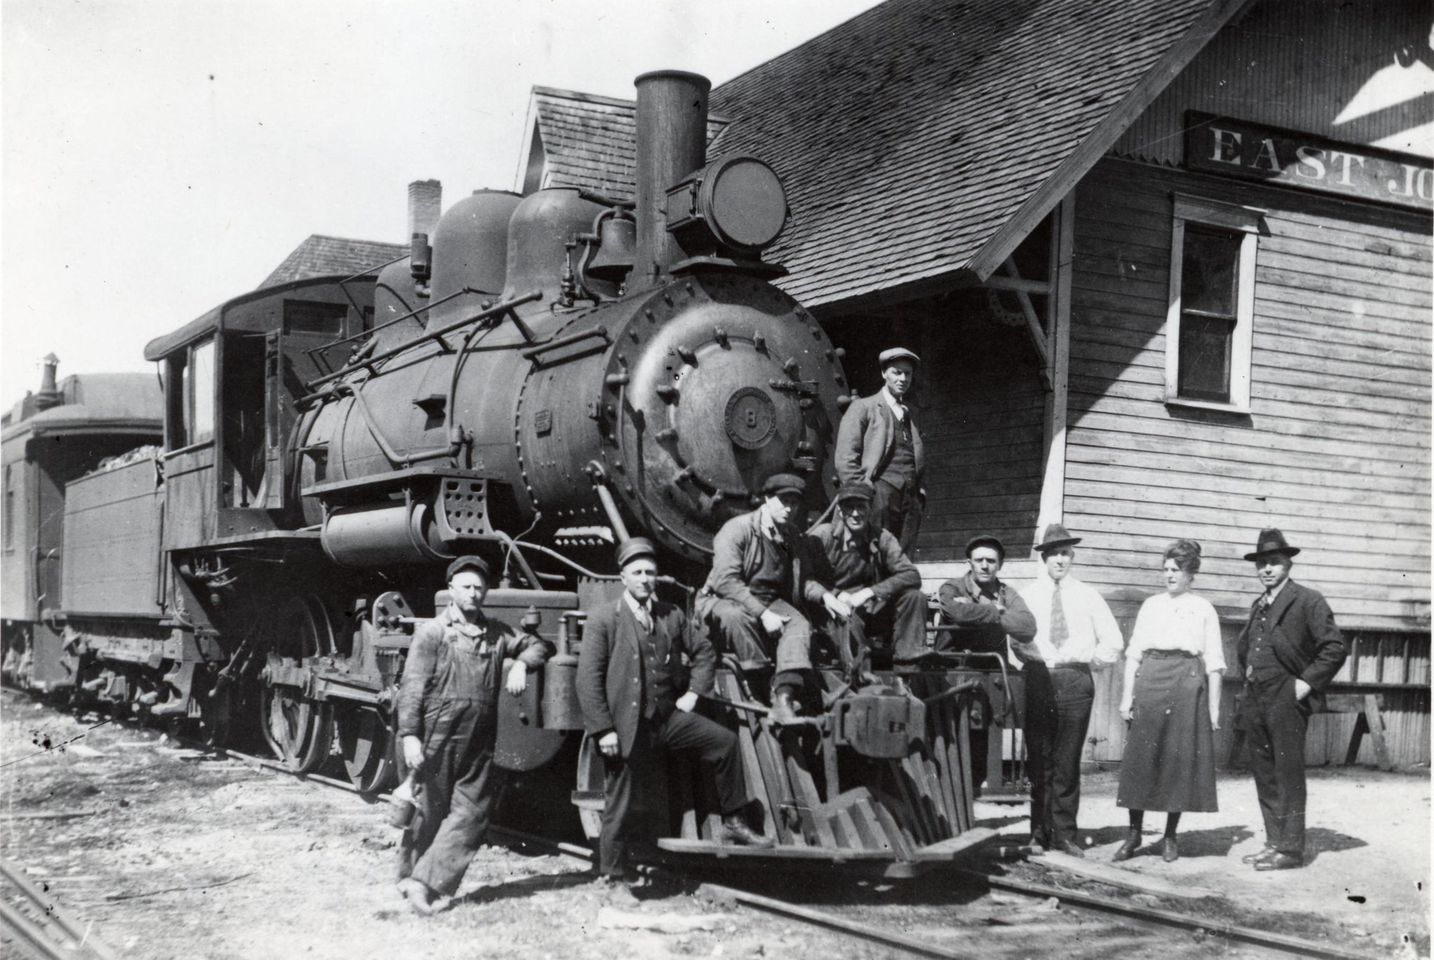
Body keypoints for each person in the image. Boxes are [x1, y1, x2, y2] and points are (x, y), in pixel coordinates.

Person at [577, 538, 773, 895]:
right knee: (619, 800)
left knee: (724, 742)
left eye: (650, 573)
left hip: (667, 721)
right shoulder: (604, 618)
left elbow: (703, 650)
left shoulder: (671, 614)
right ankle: (612, 876)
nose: (645, 579)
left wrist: (694, 694)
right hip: (625, 726)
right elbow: (587, 679)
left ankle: (733, 819)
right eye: (637, 572)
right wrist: (603, 729)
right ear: (623, 577)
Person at [394, 555, 550, 914]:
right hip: (437, 731)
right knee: (429, 808)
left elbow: (539, 645)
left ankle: (424, 882)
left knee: (474, 813)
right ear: (451, 589)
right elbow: (412, 687)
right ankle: (407, 877)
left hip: (480, 737)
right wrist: (409, 736)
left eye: (480, 587)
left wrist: (522, 664)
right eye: (466, 586)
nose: (474, 593)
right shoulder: (432, 633)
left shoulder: (496, 633)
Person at [1235, 528, 1346, 871]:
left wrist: (1305, 683)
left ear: (1288, 564)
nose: (1266, 569)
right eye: (1261, 563)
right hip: (1256, 696)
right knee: (1264, 772)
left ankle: (1291, 849)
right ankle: (1274, 842)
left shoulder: (1308, 600)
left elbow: (1334, 648)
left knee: (1287, 773)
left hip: (1287, 695)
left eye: (1274, 562)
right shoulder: (1259, 605)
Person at [1114, 539, 1225, 863]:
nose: (1168, 575)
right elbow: (1133, 656)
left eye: (1175, 570)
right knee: (1141, 759)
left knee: (1178, 761)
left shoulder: (1203, 608)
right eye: (1165, 569)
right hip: (1151, 680)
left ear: (1191, 573)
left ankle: (1170, 836)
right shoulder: (1151, 605)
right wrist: (1125, 700)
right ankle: (1133, 834)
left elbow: (1215, 662)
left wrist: (1214, 710)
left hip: (1186, 684)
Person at [1019, 523, 1123, 857]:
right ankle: (1038, 833)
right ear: (1044, 558)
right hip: (1039, 678)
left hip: (1076, 680)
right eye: (1053, 554)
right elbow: (1013, 640)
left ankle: (1065, 834)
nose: (1059, 560)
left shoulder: (1088, 595)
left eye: (1065, 553)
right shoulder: (1029, 595)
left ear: (1072, 556)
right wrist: (1033, 661)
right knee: (1039, 761)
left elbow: (1114, 641)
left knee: (1066, 761)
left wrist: (1090, 662)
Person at [698, 473, 822, 724]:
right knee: (735, 618)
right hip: (725, 598)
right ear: (767, 498)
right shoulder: (736, 530)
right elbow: (725, 581)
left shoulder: (792, 536)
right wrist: (763, 614)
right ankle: (760, 683)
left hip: (770, 599)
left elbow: (803, 580)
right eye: (783, 501)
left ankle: (784, 697)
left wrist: (827, 597)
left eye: (794, 503)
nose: (789, 509)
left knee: (799, 625)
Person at [936, 534, 1038, 794]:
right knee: (949, 747)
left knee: (981, 749)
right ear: (968, 562)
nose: (984, 565)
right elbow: (956, 611)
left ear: (1000, 565)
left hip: (989, 677)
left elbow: (1027, 627)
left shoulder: (1007, 592)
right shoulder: (952, 587)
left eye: (991, 561)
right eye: (979, 559)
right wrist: (998, 612)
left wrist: (977, 611)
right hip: (952, 675)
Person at [802, 481, 927, 665]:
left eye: (861, 507)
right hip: (833, 612)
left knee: (914, 597)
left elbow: (911, 575)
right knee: (847, 625)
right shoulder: (822, 537)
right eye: (849, 507)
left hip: (869, 610)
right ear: (839, 509)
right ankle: (860, 675)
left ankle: (908, 661)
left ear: (870, 507)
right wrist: (833, 596)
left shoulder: (882, 537)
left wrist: (870, 593)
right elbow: (805, 580)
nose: (855, 513)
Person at [834, 347, 925, 553]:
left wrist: (920, 492)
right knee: (874, 556)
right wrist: (861, 495)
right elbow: (845, 459)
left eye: (907, 374)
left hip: (910, 499)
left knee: (902, 559)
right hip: (878, 496)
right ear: (884, 373)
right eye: (897, 372)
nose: (903, 378)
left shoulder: (912, 414)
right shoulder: (864, 407)